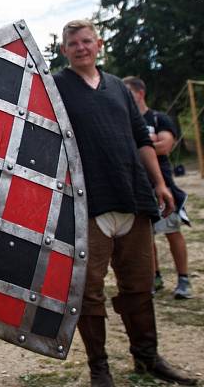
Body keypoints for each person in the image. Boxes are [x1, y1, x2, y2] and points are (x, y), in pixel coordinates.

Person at [53, 20, 196, 386]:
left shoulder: (117, 86)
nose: (81, 47)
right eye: (73, 43)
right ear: (64, 49)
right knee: (90, 293)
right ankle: (100, 370)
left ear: (97, 44)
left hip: (132, 195)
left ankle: (147, 358)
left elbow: (141, 140)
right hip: (88, 202)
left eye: (86, 41)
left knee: (139, 285)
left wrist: (160, 184)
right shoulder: (56, 87)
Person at [123, 76, 193, 299]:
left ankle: (183, 279)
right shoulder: (125, 120)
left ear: (139, 93)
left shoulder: (158, 117)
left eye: (128, 93)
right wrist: (144, 141)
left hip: (162, 184)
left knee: (172, 231)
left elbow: (165, 146)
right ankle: (155, 276)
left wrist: (141, 143)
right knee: (146, 237)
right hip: (136, 186)